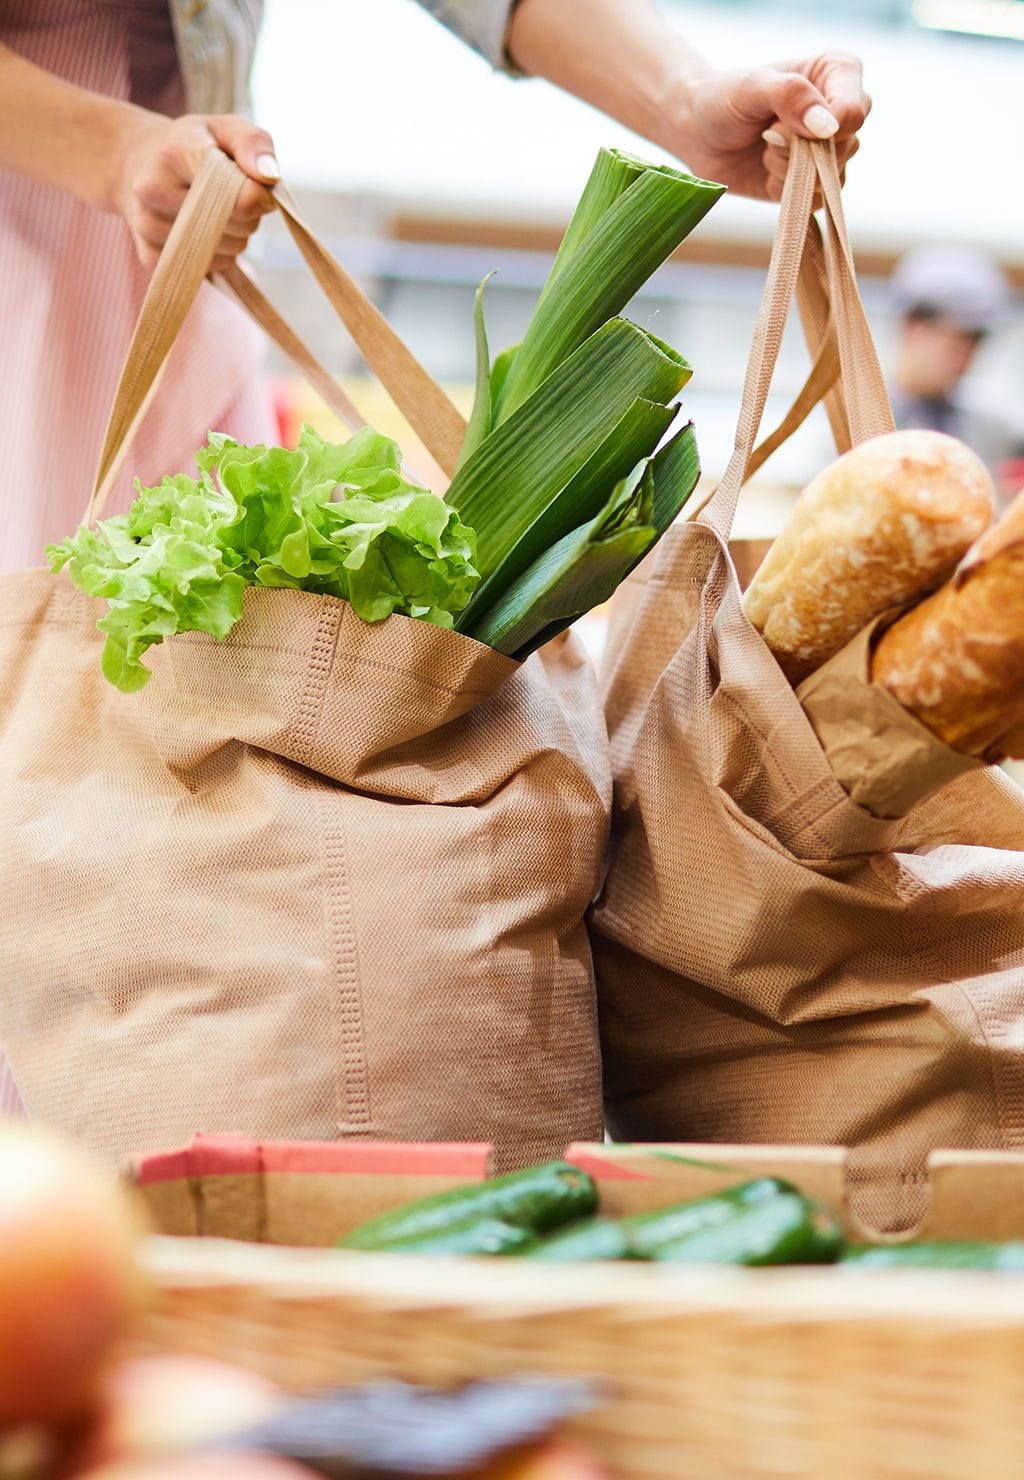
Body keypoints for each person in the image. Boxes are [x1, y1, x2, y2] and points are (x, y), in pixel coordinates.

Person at [0, 0, 871, 1116]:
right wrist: (109, 146)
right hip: (48, 230)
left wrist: (684, 98)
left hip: (186, 233)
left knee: (193, 798)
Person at [888, 243, 1022, 490]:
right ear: (913, 325)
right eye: (957, 338)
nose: (967, 354)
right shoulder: (855, 420)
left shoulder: (990, 429)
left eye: (977, 341)